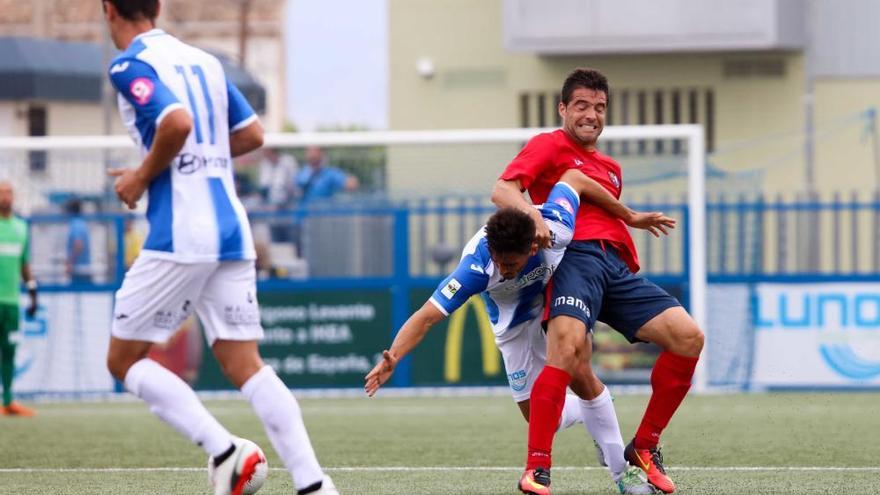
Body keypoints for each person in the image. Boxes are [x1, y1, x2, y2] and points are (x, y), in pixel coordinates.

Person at [100, 2, 338, 494]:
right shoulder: (205, 61)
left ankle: (227, 451)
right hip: (232, 228)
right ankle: (314, 485)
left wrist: (142, 176)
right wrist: (200, 155)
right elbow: (252, 133)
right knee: (244, 364)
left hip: (180, 232)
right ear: (159, 6)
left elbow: (176, 123)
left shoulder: (129, 65)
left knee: (123, 360)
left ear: (109, 9)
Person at [366, 169, 674, 494]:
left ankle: (623, 476)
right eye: (499, 261)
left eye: (511, 264)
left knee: (582, 375)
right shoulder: (476, 269)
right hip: (511, 326)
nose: (504, 269)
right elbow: (426, 316)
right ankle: (593, 412)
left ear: (532, 246)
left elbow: (575, 178)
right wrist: (394, 356)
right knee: (544, 419)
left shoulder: (555, 227)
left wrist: (629, 216)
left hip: (554, 303)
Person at [493, 68, 705, 494]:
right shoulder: (549, 144)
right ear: (564, 109)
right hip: (573, 260)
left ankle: (644, 447)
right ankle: (537, 467)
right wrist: (533, 216)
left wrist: (631, 218)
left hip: (616, 269)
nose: (592, 114)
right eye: (582, 106)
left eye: (600, 107)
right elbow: (503, 189)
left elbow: (602, 209)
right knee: (568, 353)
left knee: (689, 337)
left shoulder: (610, 167)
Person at [0, 181, 38, 417]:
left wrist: (32, 292)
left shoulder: (21, 228)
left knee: (10, 351)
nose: (6, 196)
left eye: (9, 192)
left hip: (12, 303)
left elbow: (24, 264)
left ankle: (9, 401)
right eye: (1, 192)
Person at [65, 198, 92, 284]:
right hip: (83, 267)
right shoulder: (82, 223)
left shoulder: (75, 224)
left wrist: (70, 263)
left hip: (79, 269)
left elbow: (78, 244)